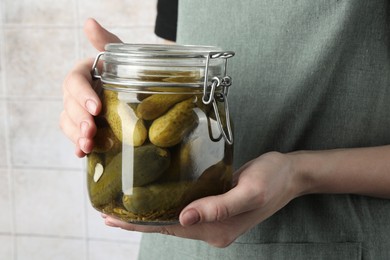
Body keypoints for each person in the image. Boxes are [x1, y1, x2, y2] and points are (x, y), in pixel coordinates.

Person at [60, 0, 390, 259]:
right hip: (176, 248)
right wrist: (127, 75)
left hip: (332, 239)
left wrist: (299, 173)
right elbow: (185, 60)